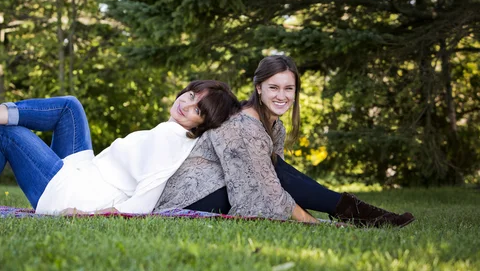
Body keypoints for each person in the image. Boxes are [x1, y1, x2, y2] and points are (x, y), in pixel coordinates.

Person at [0, 78, 241, 215]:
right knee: (70, 107)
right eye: (192, 94)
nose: (187, 103)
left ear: (203, 123)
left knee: (9, 134)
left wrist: (100, 214)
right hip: (84, 171)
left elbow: (148, 195)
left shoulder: (173, 142)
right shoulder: (172, 130)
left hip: (75, 194)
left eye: (198, 109)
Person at [155, 55, 415, 227]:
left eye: (288, 89)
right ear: (259, 88)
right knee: (274, 170)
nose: (282, 96)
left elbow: (278, 181)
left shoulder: (273, 127)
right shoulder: (242, 124)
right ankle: (360, 213)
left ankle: (358, 212)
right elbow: (262, 189)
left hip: (219, 191)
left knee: (276, 167)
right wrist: (313, 222)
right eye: (273, 88)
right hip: (190, 199)